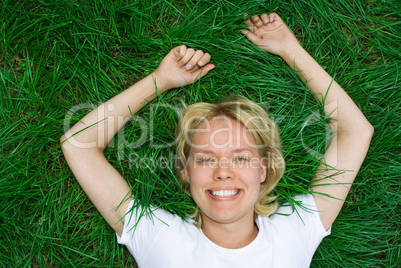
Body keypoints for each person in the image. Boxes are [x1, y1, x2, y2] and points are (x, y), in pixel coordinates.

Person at [60, 13, 373, 267]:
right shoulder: (159, 238)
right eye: (206, 158)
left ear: (263, 170)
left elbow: (356, 132)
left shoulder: (296, 231)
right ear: (185, 171)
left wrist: (290, 49)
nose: (223, 171)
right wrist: (160, 80)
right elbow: (78, 143)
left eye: (240, 157)